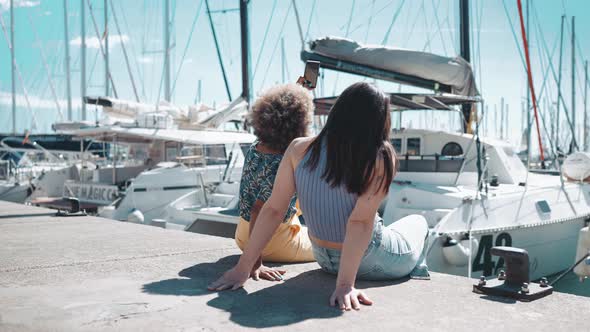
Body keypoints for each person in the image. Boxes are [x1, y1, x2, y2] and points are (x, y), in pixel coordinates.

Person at [209, 82, 429, 311]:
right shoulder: (379, 156)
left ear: (338, 112)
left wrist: (242, 268)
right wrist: (345, 285)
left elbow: (273, 209)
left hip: (323, 258)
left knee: (388, 227)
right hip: (369, 260)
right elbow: (360, 222)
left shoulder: (298, 148)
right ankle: (418, 270)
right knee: (419, 222)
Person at [234, 83, 316, 282]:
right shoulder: (285, 160)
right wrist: (255, 263)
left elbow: (282, 110)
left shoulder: (256, 148)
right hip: (271, 243)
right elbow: (258, 210)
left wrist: (298, 90)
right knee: (330, 246)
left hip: (243, 236)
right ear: (302, 123)